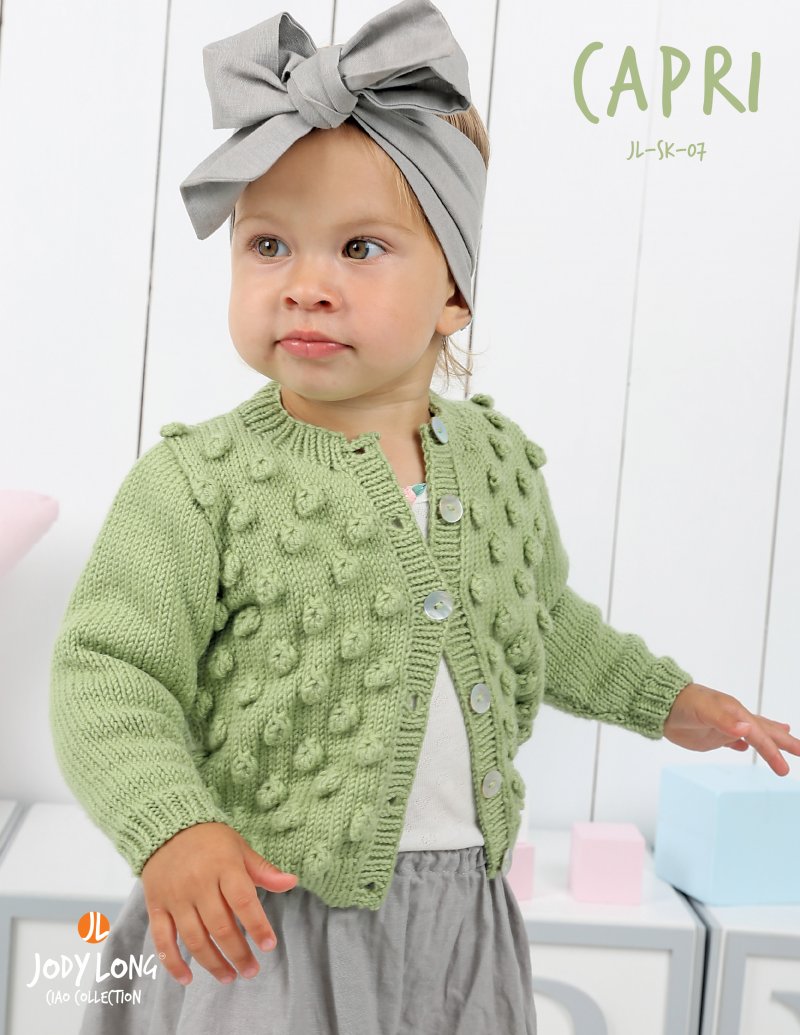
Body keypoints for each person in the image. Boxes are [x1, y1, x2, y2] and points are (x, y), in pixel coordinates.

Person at [49, 1, 800, 1032]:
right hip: (263, 917)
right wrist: (170, 827)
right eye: (268, 245)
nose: (305, 287)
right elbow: (108, 670)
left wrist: (664, 699)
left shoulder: (495, 463)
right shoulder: (199, 482)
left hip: (458, 925)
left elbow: (542, 624)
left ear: (454, 289)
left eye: (359, 247)